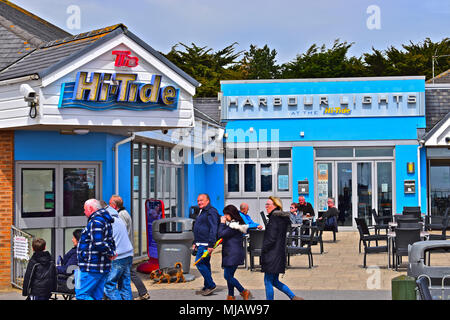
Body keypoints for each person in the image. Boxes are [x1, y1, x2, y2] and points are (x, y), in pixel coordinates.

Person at [261, 196, 303, 301]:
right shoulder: (281, 218)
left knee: (268, 281)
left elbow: (271, 238)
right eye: (266, 204)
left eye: (268, 204)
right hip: (278, 253)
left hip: (271, 254)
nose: (266, 206)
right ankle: (293, 297)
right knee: (274, 281)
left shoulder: (273, 219)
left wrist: (264, 249)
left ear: (275, 205)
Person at [109, 195, 150, 300]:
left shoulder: (121, 215)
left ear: (114, 205)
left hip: (123, 251)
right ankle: (141, 292)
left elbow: (120, 233)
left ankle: (143, 292)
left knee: (129, 273)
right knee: (127, 275)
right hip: (126, 250)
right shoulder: (124, 213)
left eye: (110, 204)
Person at [76, 199, 117, 300]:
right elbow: (110, 240)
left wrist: (111, 252)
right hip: (100, 265)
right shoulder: (104, 220)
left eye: (85, 209)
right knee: (96, 296)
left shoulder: (96, 221)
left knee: (81, 295)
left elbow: (98, 243)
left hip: (92, 266)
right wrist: (111, 252)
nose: (84, 212)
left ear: (90, 208)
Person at [102, 200, 134, 300]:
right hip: (128, 254)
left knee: (109, 286)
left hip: (117, 256)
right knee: (125, 285)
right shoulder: (117, 217)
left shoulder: (106, 220)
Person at [218, 204, 252, 300]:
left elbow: (220, 234)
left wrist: (222, 223)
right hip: (233, 253)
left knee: (227, 276)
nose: (225, 217)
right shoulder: (235, 224)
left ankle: (243, 291)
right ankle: (231, 296)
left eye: (226, 214)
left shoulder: (234, 226)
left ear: (231, 214)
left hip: (232, 254)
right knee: (230, 276)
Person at [192, 193, 220, 296]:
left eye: (201, 200)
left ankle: (211, 284)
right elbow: (199, 227)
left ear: (207, 201)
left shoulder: (211, 211)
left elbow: (213, 228)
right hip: (200, 243)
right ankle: (207, 286)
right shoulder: (202, 211)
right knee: (205, 264)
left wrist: (211, 245)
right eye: (198, 200)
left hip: (206, 244)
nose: (199, 202)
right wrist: (195, 242)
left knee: (199, 263)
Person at [56, 229, 82, 293]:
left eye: (74, 238)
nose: (72, 240)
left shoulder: (76, 253)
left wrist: (54, 268)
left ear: (78, 240)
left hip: (69, 282)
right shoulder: (79, 251)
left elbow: (68, 269)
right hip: (72, 280)